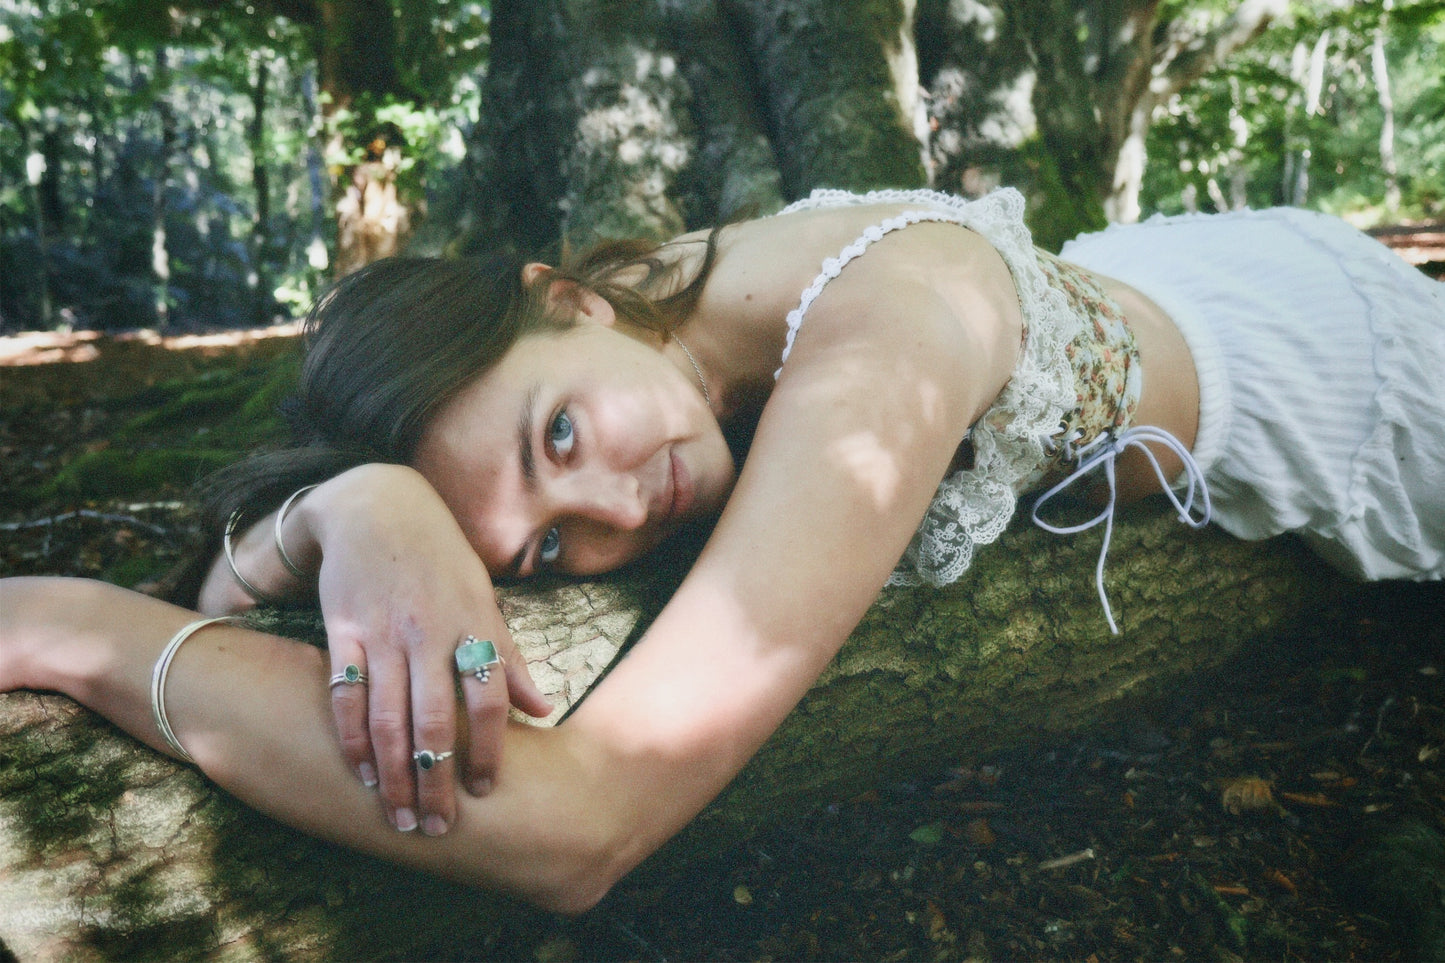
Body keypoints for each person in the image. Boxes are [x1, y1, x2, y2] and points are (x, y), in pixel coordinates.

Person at [2, 188, 1442, 912]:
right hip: (1183, 268)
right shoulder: (660, 314)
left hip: (1371, 377)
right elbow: (234, 572)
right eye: (550, 550)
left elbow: (582, 830)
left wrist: (85, 632)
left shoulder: (879, 346)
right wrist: (361, 510)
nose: (624, 517)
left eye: (557, 440)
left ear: (563, 296)